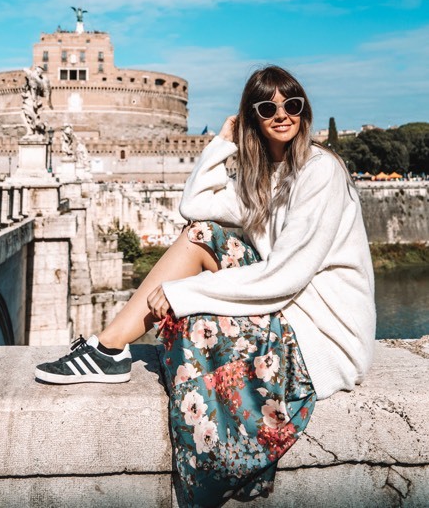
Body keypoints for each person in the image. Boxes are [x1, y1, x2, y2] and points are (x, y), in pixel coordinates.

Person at [34, 66, 376, 505]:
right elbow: (194, 205)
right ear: (252, 118)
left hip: (323, 331)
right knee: (201, 233)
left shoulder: (320, 170)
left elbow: (286, 276)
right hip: (290, 306)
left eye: (292, 105)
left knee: (195, 321)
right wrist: (222, 142)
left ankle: (112, 354)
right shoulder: (263, 177)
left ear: (304, 110)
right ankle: (109, 349)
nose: (282, 115)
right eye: (267, 108)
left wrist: (181, 295)